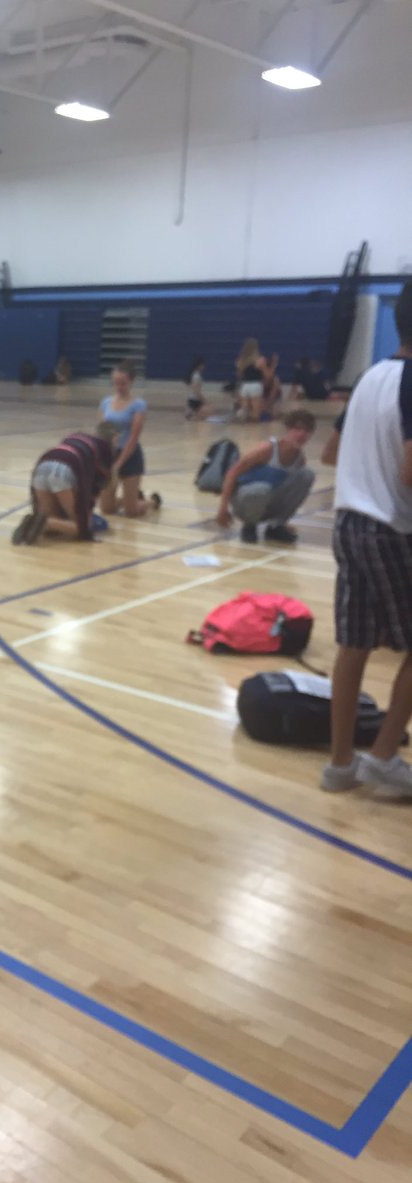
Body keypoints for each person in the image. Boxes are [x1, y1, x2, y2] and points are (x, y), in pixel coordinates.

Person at [320, 281, 412, 796]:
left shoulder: (369, 376)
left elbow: (330, 452)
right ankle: (382, 756)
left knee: (353, 646)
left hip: (348, 523)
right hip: (391, 529)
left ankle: (340, 766)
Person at [216, 409, 316, 544]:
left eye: (307, 430)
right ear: (288, 429)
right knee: (262, 489)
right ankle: (249, 526)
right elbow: (232, 473)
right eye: (297, 429)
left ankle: (276, 526)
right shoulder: (266, 449)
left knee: (307, 475)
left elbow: (289, 492)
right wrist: (223, 508)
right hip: (245, 500)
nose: (302, 434)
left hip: (268, 501)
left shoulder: (300, 459)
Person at [12, 431, 116, 544]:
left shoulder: (74, 436)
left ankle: (37, 522)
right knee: (81, 527)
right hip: (65, 469)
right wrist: (87, 514)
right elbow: (95, 486)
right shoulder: (105, 450)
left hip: (42, 466)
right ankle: (47, 523)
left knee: (54, 520)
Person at [96, 360, 161, 517]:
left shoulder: (138, 405)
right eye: (116, 383)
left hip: (130, 456)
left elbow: (133, 438)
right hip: (110, 455)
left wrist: (118, 464)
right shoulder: (105, 403)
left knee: (131, 512)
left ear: (131, 381)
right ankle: (127, 499)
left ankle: (151, 501)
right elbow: (101, 432)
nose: (119, 387)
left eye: (123, 383)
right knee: (106, 509)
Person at [234, 338, 266, 421]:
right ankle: (255, 432)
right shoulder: (260, 360)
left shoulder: (241, 360)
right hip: (256, 384)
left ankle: (244, 431)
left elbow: (239, 375)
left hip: (245, 385)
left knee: (245, 411)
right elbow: (265, 374)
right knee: (255, 414)